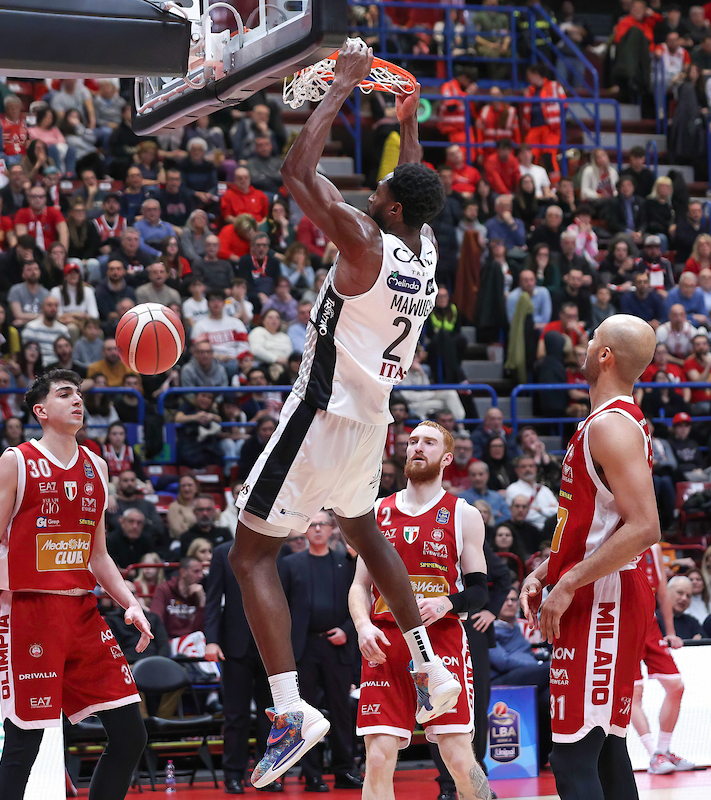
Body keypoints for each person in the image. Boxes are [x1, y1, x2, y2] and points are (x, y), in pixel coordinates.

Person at [229, 42, 460, 787]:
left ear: (388, 208)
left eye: (381, 186)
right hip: (372, 422)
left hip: (321, 413)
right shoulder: (424, 251)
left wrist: (343, 87)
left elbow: (297, 175)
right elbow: (414, 186)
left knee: (249, 555)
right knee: (364, 532)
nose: (373, 190)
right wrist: (407, 122)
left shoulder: (364, 242)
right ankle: (430, 666)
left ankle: (290, 710)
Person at [0, 369, 153, 800]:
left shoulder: (97, 466)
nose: (77, 399)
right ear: (41, 410)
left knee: (130, 735)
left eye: (79, 393)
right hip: (29, 613)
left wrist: (130, 602)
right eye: (65, 394)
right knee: (23, 745)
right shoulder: (16, 461)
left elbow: (98, 555)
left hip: (83, 613)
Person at [516, 313, 657, 799]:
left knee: (573, 754)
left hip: (604, 599)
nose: (585, 342)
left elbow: (645, 527)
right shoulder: (605, 422)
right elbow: (595, 524)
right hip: (597, 592)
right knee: (605, 752)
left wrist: (570, 581)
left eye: (592, 337)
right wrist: (546, 571)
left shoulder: (612, 426)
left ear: (605, 355)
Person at [349, 421, 488, 800]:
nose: (417, 447)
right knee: (378, 758)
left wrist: (447, 603)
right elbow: (359, 585)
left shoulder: (463, 514)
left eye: (428, 442)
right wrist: (362, 626)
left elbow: (479, 592)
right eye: (412, 441)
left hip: (441, 642)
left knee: (458, 758)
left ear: (447, 458)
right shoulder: (376, 511)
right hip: (385, 642)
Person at [279, 512, 363, 791]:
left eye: (322, 524)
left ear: (331, 529)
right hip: (304, 647)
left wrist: (347, 631)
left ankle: (344, 770)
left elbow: (359, 601)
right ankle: (312, 773)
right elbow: (281, 607)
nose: (316, 529)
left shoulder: (344, 562)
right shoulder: (290, 564)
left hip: (337, 644)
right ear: (305, 530)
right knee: (306, 712)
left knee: (341, 710)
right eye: (312, 525)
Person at [204, 539, 278, 792]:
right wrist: (211, 640)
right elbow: (213, 600)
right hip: (235, 644)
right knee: (236, 715)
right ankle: (233, 774)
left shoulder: (278, 546)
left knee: (271, 715)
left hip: (271, 642)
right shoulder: (222, 552)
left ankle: (267, 774)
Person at [630, 544, 694, 774]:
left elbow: (663, 594)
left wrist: (671, 632)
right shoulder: (616, 541)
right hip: (625, 625)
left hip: (650, 626)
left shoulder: (654, 549)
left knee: (676, 686)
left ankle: (663, 751)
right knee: (634, 693)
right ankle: (653, 754)